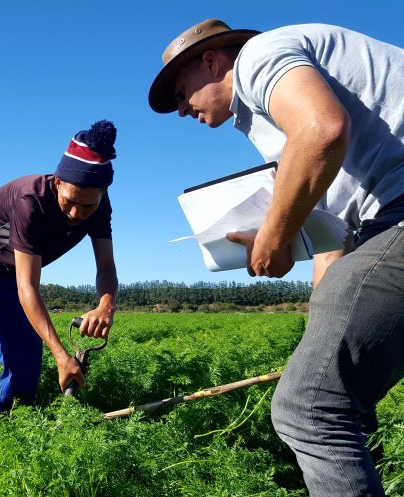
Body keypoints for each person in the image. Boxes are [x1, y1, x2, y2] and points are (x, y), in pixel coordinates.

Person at [149, 18, 404, 496]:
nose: (181, 110)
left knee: (309, 407)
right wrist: (316, 341)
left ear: (212, 60)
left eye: (181, 93)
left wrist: (273, 235)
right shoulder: (272, 125)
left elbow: (323, 130)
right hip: (383, 219)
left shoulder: (260, 56)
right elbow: (336, 241)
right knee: (329, 391)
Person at [0, 120, 119, 452]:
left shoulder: (99, 205)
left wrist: (105, 305)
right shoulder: (30, 200)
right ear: (57, 181)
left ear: (103, 194)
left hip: (8, 269)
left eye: (88, 205)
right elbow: (29, 287)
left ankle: (12, 428)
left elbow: (106, 268)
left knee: (25, 357)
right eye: (70, 201)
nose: (78, 213)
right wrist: (62, 355)